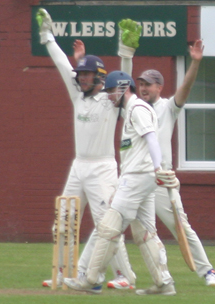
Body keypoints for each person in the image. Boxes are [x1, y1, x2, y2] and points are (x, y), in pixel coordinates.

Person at [77, 20, 215, 287]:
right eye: (141, 84)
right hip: (138, 176)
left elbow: (186, 89)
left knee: (181, 227)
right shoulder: (129, 106)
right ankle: (112, 276)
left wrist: (196, 63)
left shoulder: (167, 107)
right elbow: (118, 81)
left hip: (160, 179)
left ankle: (208, 272)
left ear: (159, 88)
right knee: (120, 226)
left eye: (150, 85)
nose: (144, 88)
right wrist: (124, 53)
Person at [36, 8, 134, 290]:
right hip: (79, 166)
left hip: (103, 168)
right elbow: (61, 64)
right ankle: (62, 273)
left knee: (107, 225)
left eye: (87, 75)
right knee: (64, 221)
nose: (80, 78)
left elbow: (125, 79)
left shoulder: (110, 100)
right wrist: (47, 37)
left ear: (100, 77)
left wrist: (126, 50)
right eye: (80, 74)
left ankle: (122, 275)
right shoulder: (78, 96)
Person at [64, 70, 178, 295]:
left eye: (110, 91)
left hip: (139, 178)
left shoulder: (137, 109)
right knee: (144, 232)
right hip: (139, 178)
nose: (108, 96)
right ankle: (164, 283)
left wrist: (158, 167)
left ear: (123, 88)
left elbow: (152, 139)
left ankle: (91, 279)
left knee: (108, 227)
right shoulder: (131, 112)